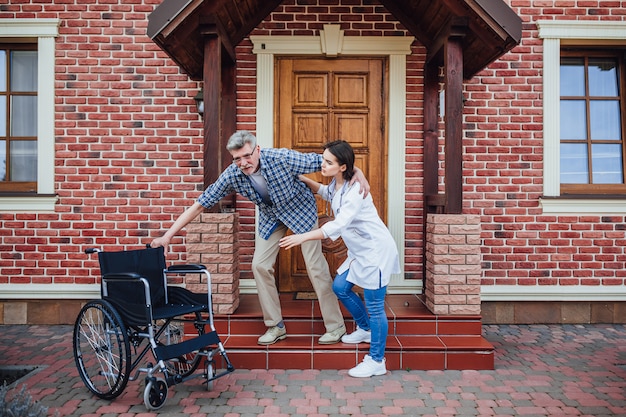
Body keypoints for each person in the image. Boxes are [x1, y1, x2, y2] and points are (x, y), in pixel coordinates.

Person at [151, 130, 371, 346]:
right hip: (271, 217)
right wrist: (168, 235)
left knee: (315, 266)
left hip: (300, 212)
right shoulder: (232, 174)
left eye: (247, 155)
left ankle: (335, 326)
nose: (244, 162)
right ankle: (275, 326)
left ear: (257, 149)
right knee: (259, 265)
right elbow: (200, 204)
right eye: (238, 158)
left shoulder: (281, 157)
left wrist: (356, 171)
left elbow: (328, 162)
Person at [279, 140, 400, 378]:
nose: (322, 165)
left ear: (342, 166)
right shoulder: (338, 182)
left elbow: (338, 225)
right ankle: (365, 328)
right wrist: (303, 178)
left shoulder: (355, 191)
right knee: (340, 287)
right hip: (359, 253)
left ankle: (377, 360)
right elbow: (326, 192)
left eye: (328, 162)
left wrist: (301, 237)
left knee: (376, 307)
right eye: (323, 159)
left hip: (375, 253)